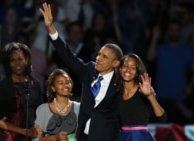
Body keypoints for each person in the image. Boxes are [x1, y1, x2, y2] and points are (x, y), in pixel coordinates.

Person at [39, 2, 123, 141]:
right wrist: (51, 28)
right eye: (99, 54)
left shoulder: (120, 82)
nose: (98, 58)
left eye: (104, 57)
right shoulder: (89, 70)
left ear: (115, 63)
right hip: (84, 137)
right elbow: (68, 57)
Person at [0, 42, 43, 140]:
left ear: (26, 60)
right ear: (8, 63)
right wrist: (25, 131)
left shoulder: (35, 84)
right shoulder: (3, 85)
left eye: (20, 59)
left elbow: (41, 112)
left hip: (32, 137)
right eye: (12, 60)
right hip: (9, 137)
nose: (17, 64)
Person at [116, 53, 167, 141]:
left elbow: (162, 119)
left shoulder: (143, 91)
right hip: (123, 137)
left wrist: (149, 95)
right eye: (125, 66)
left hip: (140, 138)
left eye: (133, 68)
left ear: (136, 73)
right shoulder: (116, 94)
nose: (128, 70)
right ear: (120, 69)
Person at [33, 69, 80, 141]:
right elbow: (35, 139)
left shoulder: (79, 107)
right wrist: (55, 138)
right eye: (61, 83)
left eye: (67, 82)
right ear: (53, 88)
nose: (65, 85)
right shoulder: (43, 110)